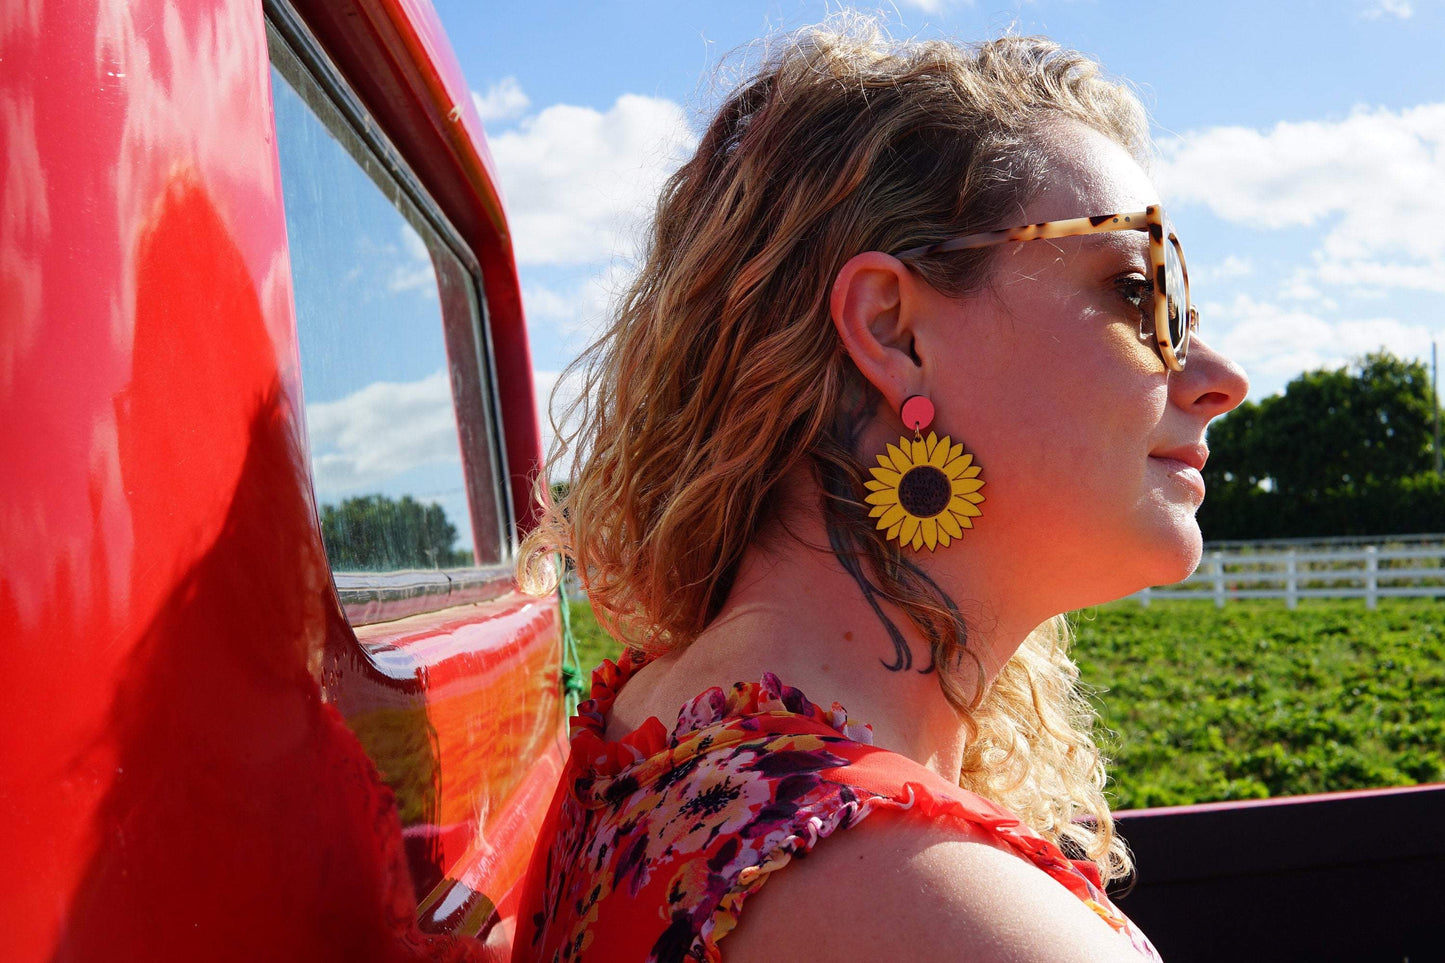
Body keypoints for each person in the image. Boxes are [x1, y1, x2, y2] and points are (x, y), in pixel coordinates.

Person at [514, 17, 1247, 963]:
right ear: (892, 329)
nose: (1219, 375)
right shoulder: (945, 919)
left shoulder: (656, 725)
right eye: (1133, 288)